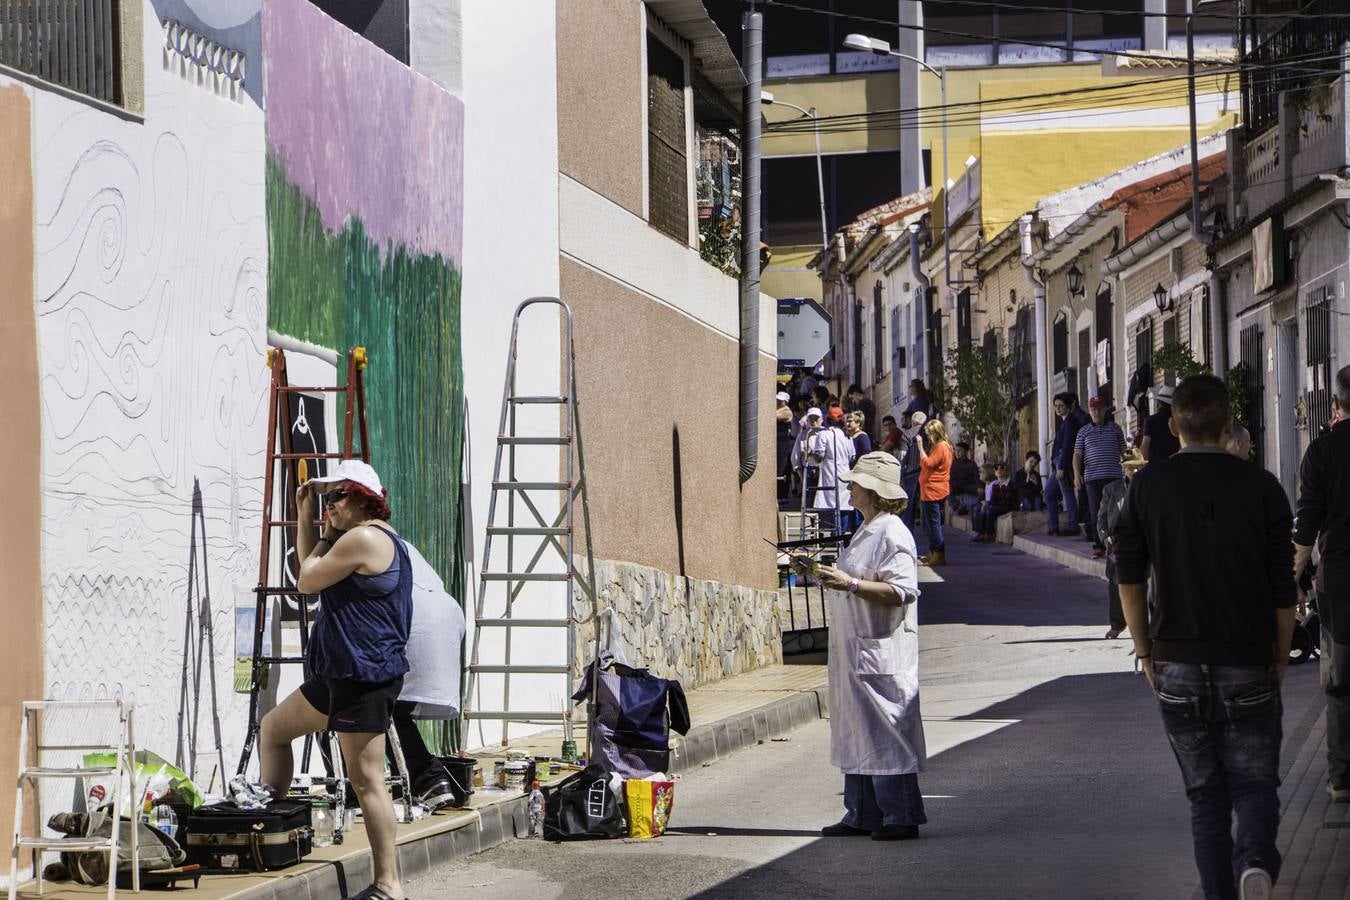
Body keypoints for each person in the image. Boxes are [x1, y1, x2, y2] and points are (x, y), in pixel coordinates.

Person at [1114, 374, 1295, 900]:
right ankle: (1255, 860)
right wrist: (1280, 656)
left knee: (1205, 797)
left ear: (1173, 428)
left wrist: (1145, 650)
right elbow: (1283, 589)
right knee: (1255, 783)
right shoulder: (1262, 487)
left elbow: (1129, 578)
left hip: (1176, 662)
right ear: (1228, 423)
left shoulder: (1147, 487)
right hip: (1248, 658)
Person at [259, 459, 411, 900]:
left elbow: (307, 579)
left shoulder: (366, 538)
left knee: (367, 780)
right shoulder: (359, 539)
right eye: (327, 498)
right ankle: (273, 831)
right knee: (274, 730)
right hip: (338, 674)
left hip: (363, 676)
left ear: (365, 499)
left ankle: (389, 885)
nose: (330, 504)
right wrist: (313, 520)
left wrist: (312, 522)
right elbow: (312, 572)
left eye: (337, 496)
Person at [793, 452, 927, 841]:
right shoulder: (865, 530)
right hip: (856, 650)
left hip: (878, 651)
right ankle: (862, 813)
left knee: (887, 732)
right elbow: (852, 580)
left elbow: (902, 591)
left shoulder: (892, 532)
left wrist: (849, 584)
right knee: (858, 730)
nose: (849, 488)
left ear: (873, 490)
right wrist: (821, 573)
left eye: (855, 483)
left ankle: (900, 815)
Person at [1293, 363, 1350, 804]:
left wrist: (1292, 578)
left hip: (1341, 579)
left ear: (1336, 404)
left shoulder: (1321, 452)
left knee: (1341, 679)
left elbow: (1307, 524)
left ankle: (1343, 778)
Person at [390, 541, 467, 812]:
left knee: (372, 709)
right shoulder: (398, 543)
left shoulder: (361, 540)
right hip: (441, 620)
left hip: (412, 623)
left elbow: (308, 578)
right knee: (392, 712)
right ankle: (426, 780)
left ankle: (426, 778)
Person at [1074, 396, 1127, 558]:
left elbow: (1124, 451)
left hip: (1114, 477)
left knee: (1116, 511)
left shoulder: (1115, 429)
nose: (1096, 412)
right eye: (1093, 409)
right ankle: (1099, 546)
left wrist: (1130, 470)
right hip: (1092, 478)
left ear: (1105, 410)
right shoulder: (1083, 431)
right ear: (1089, 411)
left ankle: (1117, 542)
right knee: (1096, 512)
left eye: (1099, 409)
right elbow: (1077, 455)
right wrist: (1076, 474)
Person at [797, 407, 855, 533]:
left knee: (832, 506)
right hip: (845, 475)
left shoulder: (824, 434)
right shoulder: (847, 436)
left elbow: (819, 457)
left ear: (827, 419)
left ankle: (835, 537)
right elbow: (852, 456)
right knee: (844, 506)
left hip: (830, 475)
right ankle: (841, 537)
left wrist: (810, 453)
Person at [1044, 393, 1091, 536]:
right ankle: (1053, 526)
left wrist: (1062, 466)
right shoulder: (1064, 422)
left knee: (1067, 493)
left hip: (1063, 463)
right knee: (1049, 493)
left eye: (1061, 406)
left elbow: (1068, 446)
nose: (1058, 409)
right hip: (1058, 463)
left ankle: (1072, 525)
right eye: (1056, 406)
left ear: (1069, 406)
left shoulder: (1070, 422)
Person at [915, 418, 953, 566]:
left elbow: (928, 464)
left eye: (929, 433)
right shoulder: (943, 446)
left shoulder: (941, 446)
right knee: (931, 524)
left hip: (934, 490)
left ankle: (939, 554)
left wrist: (920, 448)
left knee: (934, 524)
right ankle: (933, 552)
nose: (927, 436)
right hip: (931, 489)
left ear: (936, 432)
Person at [972, 462, 1018, 543]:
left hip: (1009, 506)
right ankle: (982, 533)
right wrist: (988, 504)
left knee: (991, 510)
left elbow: (1007, 500)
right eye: (996, 468)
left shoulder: (1010, 484)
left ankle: (989, 534)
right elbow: (993, 499)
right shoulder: (996, 485)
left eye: (1002, 468)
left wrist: (990, 504)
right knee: (985, 509)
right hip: (999, 505)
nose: (999, 470)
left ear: (1007, 471)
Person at [897, 412, 926, 532]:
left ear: (912, 422)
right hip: (926, 473)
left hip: (911, 474)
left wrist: (900, 476)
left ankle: (908, 531)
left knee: (909, 506)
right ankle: (927, 529)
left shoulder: (907, 434)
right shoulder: (927, 433)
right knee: (925, 502)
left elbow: (902, 457)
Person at [1140, 384, 1180, 463]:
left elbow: (1145, 446)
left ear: (1159, 404)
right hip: (1174, 464)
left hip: (1155, 465)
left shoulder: (1151, 420)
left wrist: (1143, 465)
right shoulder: (1178, 421)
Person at [948, 442, 984, 515]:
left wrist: (979, 487)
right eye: (956, 450)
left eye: (959, 450)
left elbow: (976, 477)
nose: (957, 452)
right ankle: (958, 507)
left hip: (968, 486)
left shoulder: (971, 464)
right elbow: (950, 478)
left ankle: (978, 507)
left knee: (982, 490)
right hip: (956, 486)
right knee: (945, 488)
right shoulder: (953, 464)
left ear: (966, 452)